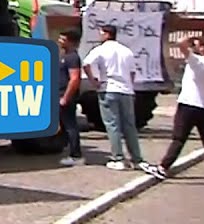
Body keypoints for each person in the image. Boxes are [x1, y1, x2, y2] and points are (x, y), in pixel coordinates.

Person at [147, 35, 204, 187]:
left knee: (179, 138)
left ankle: (163, 167)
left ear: (202, 48)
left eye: (197, 45)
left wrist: (191, 39)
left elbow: (181, 44)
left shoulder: (197, 61)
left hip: (188, 104)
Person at [83, 23, 151, 171]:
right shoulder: (126, 51)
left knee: (112, 125)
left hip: (108, 88)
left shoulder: (100, 50)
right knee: (129, 126)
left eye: (101, 33)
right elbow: (132, 72)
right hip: (126, 90)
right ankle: (137, 158)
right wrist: (129, 85)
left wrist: (93, 80)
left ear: (107, 34)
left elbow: (86, 63)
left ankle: (118, 158)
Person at [58, 29, 84, 166]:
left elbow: (74, 79)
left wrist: (66, 97)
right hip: (59, 94)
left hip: (65, 96)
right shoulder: (64, 55)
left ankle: (76, 155)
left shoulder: (72, 57)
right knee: (64, 125)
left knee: (70, 126)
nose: (60, 41)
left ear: (70, 41)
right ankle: (69, 150)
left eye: (62, 39)